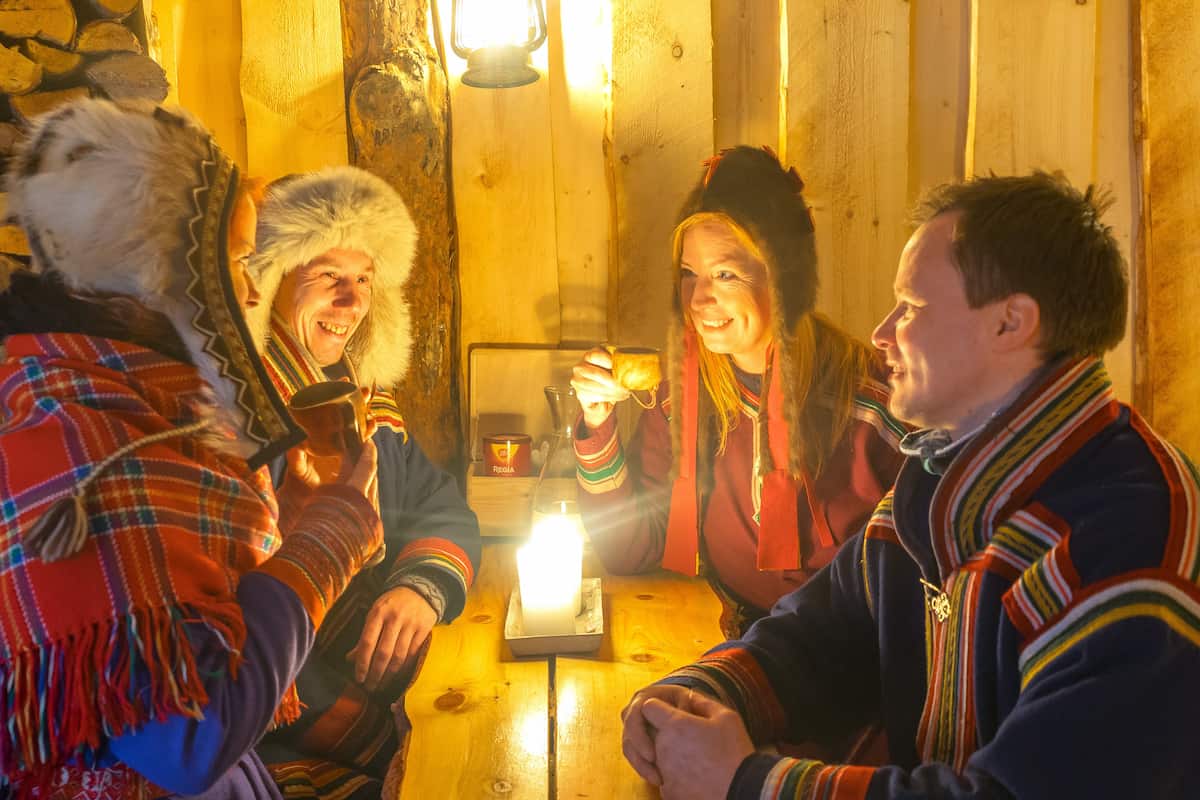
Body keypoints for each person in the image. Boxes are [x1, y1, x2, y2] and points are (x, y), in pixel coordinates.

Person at [619, 172, 1200, 799]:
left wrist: (751, 784)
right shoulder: (940, 471)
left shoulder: (1134, 538)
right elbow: (824, 632)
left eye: (913, 307)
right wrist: (702, 691)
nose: (882, 331)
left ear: (1010, 323)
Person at [0, 99, 383, 798]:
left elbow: (196, 627)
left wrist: (289, 530)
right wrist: (324, 544)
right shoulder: (77, 444)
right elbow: (188, 736)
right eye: (235, 259)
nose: (250, 288)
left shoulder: (141, 406)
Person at [571, 146, 905, 639]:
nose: (699, 298)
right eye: (689, 274)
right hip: (729, 636)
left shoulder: (875, 406)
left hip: (851, 651)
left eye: (725, 274)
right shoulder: (681, 398)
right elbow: (632, 550)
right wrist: (597, 425)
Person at [247, 166, 481, 796]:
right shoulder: (245, 422)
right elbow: (245, 618)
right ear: (272, 281)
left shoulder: (365, 401)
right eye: (329, 277)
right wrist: (379, 730)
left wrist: (420, 589)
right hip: (281, 721)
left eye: (363, 280)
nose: (352, 303)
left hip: (392, 687)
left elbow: (438, 504)